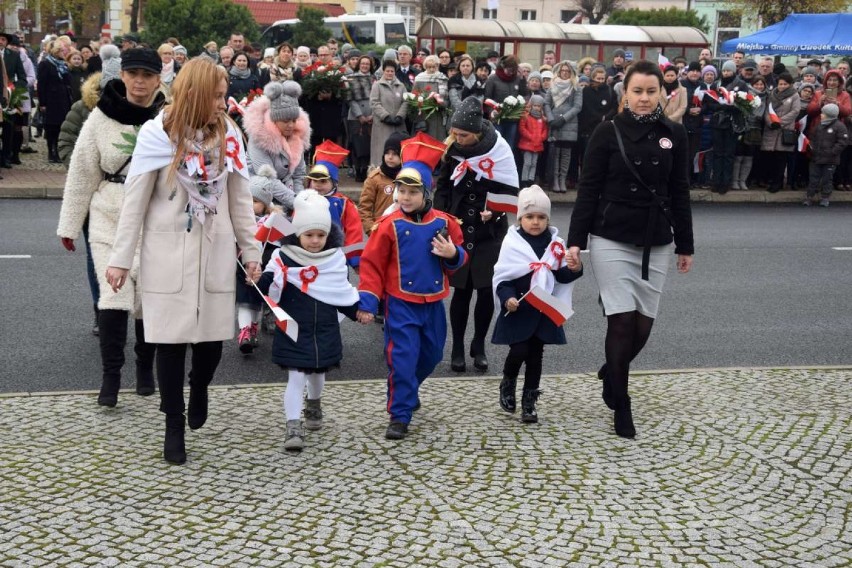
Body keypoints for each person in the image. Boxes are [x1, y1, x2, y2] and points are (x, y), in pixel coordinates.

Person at [105, 57, 262, 465]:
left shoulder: (229, 138)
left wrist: (251, 250)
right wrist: (121, 259)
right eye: (216, 96)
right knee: (170, 344)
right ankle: (172, 423)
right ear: (194, 94)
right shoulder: (158, 135)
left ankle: (202, 385)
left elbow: (241, 199)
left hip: (214, 247)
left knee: (211, 344)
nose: (222, 103)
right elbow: (134, 202)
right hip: (167, 252)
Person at [567, 60, 694, 439]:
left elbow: (680, 191)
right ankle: (622, 404)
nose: (643, 98)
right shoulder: (606, 132)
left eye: (650, 91)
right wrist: (576, 242)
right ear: (625, 93)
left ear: (662, 94)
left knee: (643, 325)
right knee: (621, 320)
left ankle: (612, 368)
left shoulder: (674, 134)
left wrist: (685, 244)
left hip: (656, 237)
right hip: (611, 236)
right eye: (637, 91)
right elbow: (587, 191)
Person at [56, 48, 166, 407]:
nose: (139, 81)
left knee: (148, 298)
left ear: (157, 79)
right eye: (133, 73)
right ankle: (111, 377)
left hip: (153, 218)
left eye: (146, 75)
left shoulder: (167, 117)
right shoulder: (101, 117)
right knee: (113, 295)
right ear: (122, 76)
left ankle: (145, 368)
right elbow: (82, 171)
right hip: (108, 216)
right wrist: (70, 225)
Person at [355, 133, 468, 440]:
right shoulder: (388, 226)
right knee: (402, 359)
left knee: (431, 355)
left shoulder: (446, 223)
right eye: (401, 191)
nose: (404, 197)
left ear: (426, 192)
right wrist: (367, 303)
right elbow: (372, 265)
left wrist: (453, 254)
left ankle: (407, 388)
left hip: (433, 304)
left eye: (412, 192)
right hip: (400, 304)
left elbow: (459, 256)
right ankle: (400, 414)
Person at [256, 190, 360, 450]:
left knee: (317, 375)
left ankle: (313, 403)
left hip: (324, 327)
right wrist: (256, 279)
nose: (315, 241)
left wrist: (359, 311)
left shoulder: (335, 259)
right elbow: (266, 287)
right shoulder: (282, 257)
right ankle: (293, 426)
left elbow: (340, 292)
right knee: (296, 376)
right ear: (298, 233)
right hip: (293, 326)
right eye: (309, 235)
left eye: (321, 236)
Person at [434, 97, 519, 373]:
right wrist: (440, 217)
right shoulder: (452, 151)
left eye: (463, 135)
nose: (457, 139)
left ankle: (479, 344)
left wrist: (493, 212)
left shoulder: (499, 150)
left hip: (489, 232)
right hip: (459, 228)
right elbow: (443, 188)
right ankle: (457, 346)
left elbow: (508, 188)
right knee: (462, 292)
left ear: (478, 134)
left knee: (485, 291)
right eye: (455, 134)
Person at [492, 185, 583, 423]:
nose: (535, 222)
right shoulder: (512, 243)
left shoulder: (555, 244)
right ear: (520, 218)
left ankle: (529, 402)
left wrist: (575, 268)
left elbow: (561, 276)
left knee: (536, 356)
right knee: (519, 350)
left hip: (543, 308)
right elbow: (504, 278)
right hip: (519, 308)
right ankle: (508, 381)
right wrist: (507, 298)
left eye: (541, 217)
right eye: (530, 217)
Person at [244, 81, 310, 211]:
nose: (291, 125)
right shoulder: (259, 138)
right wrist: (296, 202)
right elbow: (268, 179)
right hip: (258, 195)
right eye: (285, 121)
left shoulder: (297, 136)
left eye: (293, 120)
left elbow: (298, 175)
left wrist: (300, 199)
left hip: (287, 194)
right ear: (274, 120)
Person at [235, 170, 281, 353]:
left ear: (265, 205)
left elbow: (275, 249)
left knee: (256, 301)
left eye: (255, 202)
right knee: (245, 300)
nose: (250, 205)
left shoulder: (272, 223)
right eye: (247, 199)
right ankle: (244, 331)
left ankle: (253, 327)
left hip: (261, 270)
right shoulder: (239, 221)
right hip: (241, 267)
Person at [305, 140, 364, 269]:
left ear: (334, 183)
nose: (318, 185)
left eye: (323, 181)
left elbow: (354, 232)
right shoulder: (304, 200)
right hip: (307, 256)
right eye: (314, 181)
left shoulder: (344, 204)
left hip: (336, 258)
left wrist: (354, 260)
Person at [545, 60, 582, 193]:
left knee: (566, 154)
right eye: (563, 71)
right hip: (554, 123)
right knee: (555, 153)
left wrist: (564, 118)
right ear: (559, 72)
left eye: (567, 71)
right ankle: (555, 180)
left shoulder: (576, 87)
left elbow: (577, 106)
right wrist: (550, 119)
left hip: (569, 124)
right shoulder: (552, 86)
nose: (565, 73)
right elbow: (546, 104)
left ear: (571, 72)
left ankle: (562, 180)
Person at [358, 131, 405, 234]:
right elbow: (364, 207)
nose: (390, 157)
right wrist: (372, 230)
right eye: (387, 153)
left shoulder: (407, 178)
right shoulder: (374, 178)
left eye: (395, 154)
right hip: (380, 231)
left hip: (403, 231)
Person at [761, 72, 800, 193]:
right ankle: (771, 180)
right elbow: (767, 110)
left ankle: (778, 182)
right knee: (770, 158)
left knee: (781, 159)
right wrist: (770, 122)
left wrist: (780, 122)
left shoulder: (794, 95)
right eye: (780, 84)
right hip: (771, 128)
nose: (782, 86)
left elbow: (795, 111)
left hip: (784, 129)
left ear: (790, 84)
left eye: (785, 84)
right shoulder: (772, 94)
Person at [803, 104, 848, 207]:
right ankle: (809, 196)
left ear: (830, 114)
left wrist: (832, 152)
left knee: (827, 179)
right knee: (813, 178)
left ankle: (825, 197)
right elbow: (812, 138)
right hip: (816, 158)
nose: (821, 115)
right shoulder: (819, 125)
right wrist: (811, 148)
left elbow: (842, 142)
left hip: (830, 159)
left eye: (823, 113)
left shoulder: (839, 126)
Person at [36, 40, 73, 164]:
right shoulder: (45, 64)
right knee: (51, 127)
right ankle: (51, 152)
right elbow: (41, 85)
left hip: (63, 100)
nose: (65, 52)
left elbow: (68, 82)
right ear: (56, 51)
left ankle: (58, 151)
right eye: (62, 50)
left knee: (60, 127)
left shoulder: (63, 64)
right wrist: (42, 103)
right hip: (51, 101)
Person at [484, 54, 528, 147]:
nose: (510, 73)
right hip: (497, 118)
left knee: (509, 145)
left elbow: (524, 94)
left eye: (513, 71)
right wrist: (492, 113)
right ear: (503, 66)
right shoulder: (493, 78)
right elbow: (487, 97)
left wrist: (522, 79)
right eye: (509, 70)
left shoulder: (517, 78)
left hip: (512, 118)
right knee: (497, 144)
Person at [370, 59, 408, 166]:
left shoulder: (401, 86)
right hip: (382, 125)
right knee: (381, 149)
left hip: (398, 124)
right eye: (387, 71)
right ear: (383, 71)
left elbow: (406, 102)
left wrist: (400, 116)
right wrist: (385, 116)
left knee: (398, 149)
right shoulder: (377, 85)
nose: (390, 73)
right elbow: (374, 102)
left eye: (392, 71)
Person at [347, 55, 375, 181]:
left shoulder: (375, 79)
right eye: (362, 63)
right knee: (357, 144)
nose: (364, 66)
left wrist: (372, 115)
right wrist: (360, 116)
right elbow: (351, 100)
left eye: (367, 64)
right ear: (359, 64)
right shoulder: (351, 78)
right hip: (355, 116)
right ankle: (357, 170)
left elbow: (378, 99)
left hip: (371, 115)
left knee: (368, 145)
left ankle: (365, 169)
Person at [412, 55, 450, 140]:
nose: (432, 69)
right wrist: (421, 103)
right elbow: (414, 96)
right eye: (429, 67)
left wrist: (439, 102)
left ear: (437, 66)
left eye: (434, 67)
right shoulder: (419, 79)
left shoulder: (442, 79)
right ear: (425, 67)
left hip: (439, 117)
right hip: (423, 116)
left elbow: (446, 100)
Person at [518, 95, 548, 187]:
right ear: (531, 105)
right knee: (527, 163)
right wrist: (530, 136)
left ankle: (531, 179)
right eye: (535, 105)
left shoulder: (542, 119)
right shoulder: (526, 116)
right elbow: (522, 128)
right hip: (527, 144)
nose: (536, 108)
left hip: (537, 144)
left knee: (534, 163)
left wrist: (541, 137)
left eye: (539, 106)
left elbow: (545, 130)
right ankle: (524, 179)